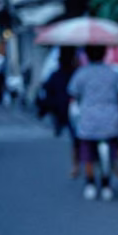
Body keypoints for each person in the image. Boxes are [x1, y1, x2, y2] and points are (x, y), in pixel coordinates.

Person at [68, 44, 118, 201]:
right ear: (105, 53)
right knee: (114, 148)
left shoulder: (81, 74)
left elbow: (73, 96)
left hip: (88, 121)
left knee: (87, 153)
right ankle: (108, 183)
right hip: (111, 121)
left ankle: (90, 183)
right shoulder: (113, 73)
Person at [43, 47, 80, 177]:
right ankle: (77, 165)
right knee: (77, 139)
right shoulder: (76, 74)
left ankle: (77, 165)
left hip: (67, 111)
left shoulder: (59, 74)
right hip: (72, 112)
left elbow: (47, 90)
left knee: (76, 139)